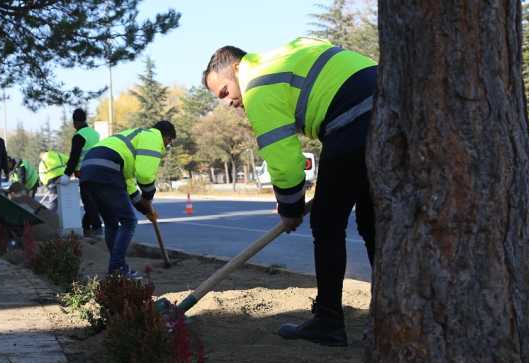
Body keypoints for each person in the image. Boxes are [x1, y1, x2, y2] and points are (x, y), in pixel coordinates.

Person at [202, 38, 377, 346]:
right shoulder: (285, 53)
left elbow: (285, 162)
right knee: (372, 221)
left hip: (351, 116)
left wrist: (290, 209)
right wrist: (291, 203)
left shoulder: (257, 85)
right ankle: (391, 315)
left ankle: (328, 322)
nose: (228, 102)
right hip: (385, 101)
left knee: (326, 223)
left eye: (225, 92)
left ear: (235, 67)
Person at [80, 121, 176, 276]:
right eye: (168, 143)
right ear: (167, 137)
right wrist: (148, 197)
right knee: (129, 221)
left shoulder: (131, 140)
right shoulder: (153, 137)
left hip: (89, 169)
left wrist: (146, 209)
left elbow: (131, 188)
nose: (165, 147)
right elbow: (144, 175)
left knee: (112, 223)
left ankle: (116, 268)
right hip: (107, 168)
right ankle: (117, 268)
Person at [64, 108, 103, 237]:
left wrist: (66, 174)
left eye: (74, 122)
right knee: (94, 200)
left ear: (76, 122)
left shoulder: (79, 136)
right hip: (98, 170)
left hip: (85, 172)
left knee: (88, 201)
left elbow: (74, 157)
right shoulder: (95, 134)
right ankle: (86, 227)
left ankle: (97, 228)